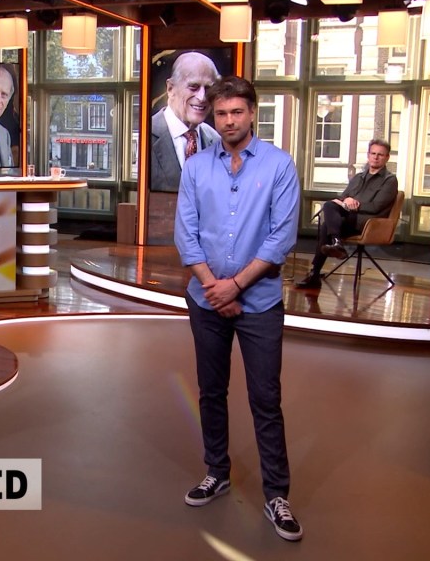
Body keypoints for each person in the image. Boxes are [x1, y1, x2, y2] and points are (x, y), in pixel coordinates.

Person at [174, 76, 303, 542]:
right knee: (211, 391)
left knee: (265, 398)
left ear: (252, 113)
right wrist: (215, 288)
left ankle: (277, 494)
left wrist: (235, 287)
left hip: (260, 302)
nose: (228, 121)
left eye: (237, 112)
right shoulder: (195, 167)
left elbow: (281, 237)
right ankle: (217, 471)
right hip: (206, 300)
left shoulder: (279, 165)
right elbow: (185, 233)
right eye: (221, 113)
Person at [295, 139, 399, 289]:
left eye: (380, 155)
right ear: (368, 155)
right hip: (349, 218)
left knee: (327, 225)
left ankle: (317, 271)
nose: (376, 157)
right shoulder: (358, 177)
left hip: (368, 223)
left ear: (387, 157)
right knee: (329, 206)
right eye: (373, 153)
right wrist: (346, 200)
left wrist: (355, 204)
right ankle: (334, 245)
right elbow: (343, 197)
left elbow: (376, 207)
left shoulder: (390, 180)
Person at [150, 52, 221, 193]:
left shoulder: (216, 141)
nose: (202, 97)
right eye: (193, 87)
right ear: (170, 89)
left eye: (208, 88)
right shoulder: (147, 136)